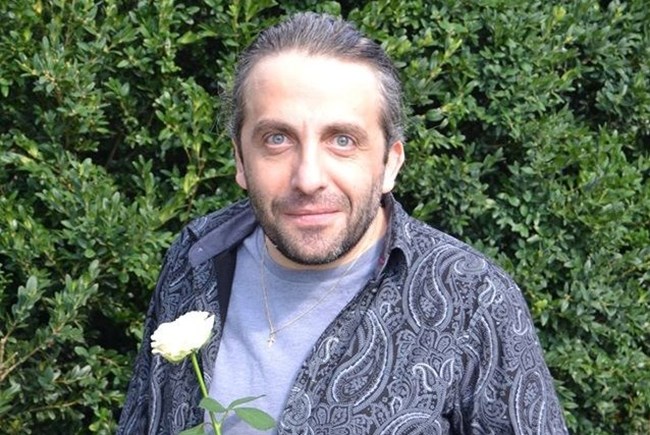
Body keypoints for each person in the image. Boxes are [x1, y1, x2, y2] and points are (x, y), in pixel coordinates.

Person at [118, 12, 568, 435]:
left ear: (390, 163)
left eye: (342, 140)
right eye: (277, 138)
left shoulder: (471, 296)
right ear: (240, 159)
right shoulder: (196, 256)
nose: (308, 178)